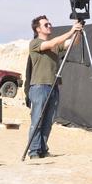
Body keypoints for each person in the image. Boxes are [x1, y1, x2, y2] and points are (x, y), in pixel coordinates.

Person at [26, 15, 83, 158]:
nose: (50, 26)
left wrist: (78, 30)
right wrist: (70, 31)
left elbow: (73, 43)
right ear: (38, 29)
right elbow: (50, 44)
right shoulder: (35, 43)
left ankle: (42, 149)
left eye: (50, 23)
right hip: (39, 87)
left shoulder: (55, 45)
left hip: (53, 87)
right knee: (37, 120)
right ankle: (33, 151)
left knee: (48, 121)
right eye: (46, 24)